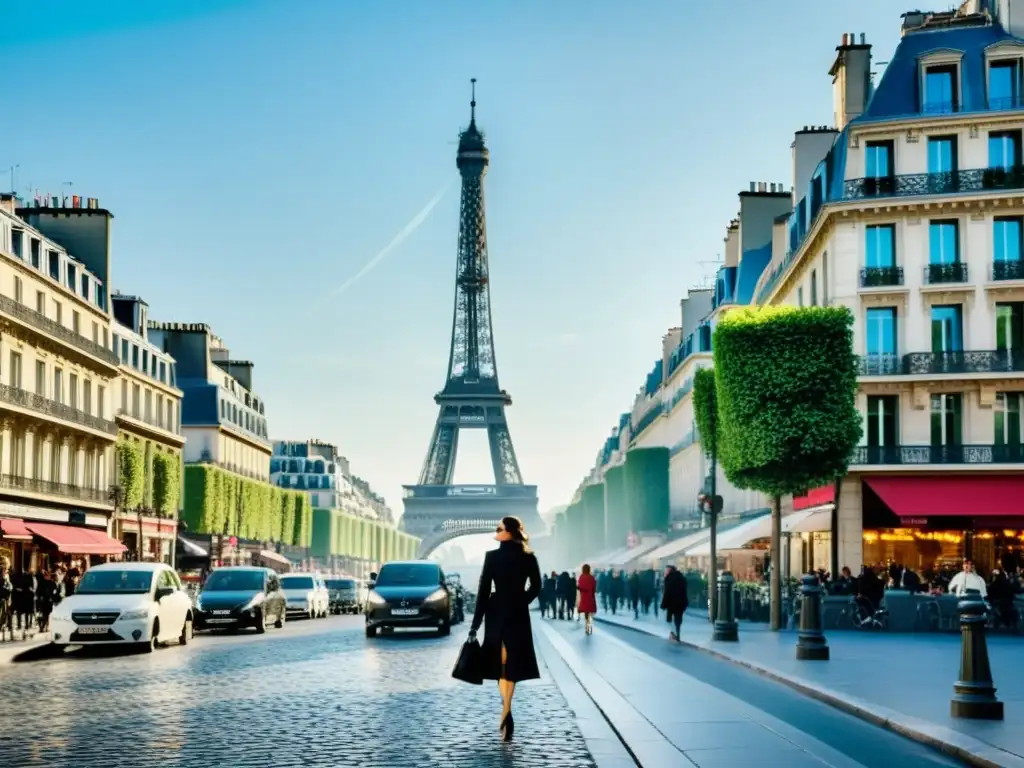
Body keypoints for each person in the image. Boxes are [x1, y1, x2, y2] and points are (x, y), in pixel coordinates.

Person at [469, 516, 542, 742]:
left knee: (500, 664)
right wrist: (521, 601)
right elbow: (537, 586)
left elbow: (482, 592)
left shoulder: (491, 557)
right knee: (513, 664)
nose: (496, 531)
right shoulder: (529, 557)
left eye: (499, 528)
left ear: (509, 532)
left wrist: (475, 625)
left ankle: (506, 709)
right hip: (517, 613)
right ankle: (507, 710)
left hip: (496, 611)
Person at [661, 565, 688, 641]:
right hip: (681, 602)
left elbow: (667, 592)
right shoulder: (682, 578)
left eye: (666, 570)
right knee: (678, 618)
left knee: (669, 619)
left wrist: (663, 604)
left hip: (671, 602)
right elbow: (684, 591)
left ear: (670, 570)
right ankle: (677, 632)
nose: (665, 572)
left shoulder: (668, 579)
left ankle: (673, 633)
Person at [577, 564, 597, 635]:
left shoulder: (581, 577)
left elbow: (579, 586)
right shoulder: (592, 578)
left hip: (584, 598)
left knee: (586, 614)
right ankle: (589, 626)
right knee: (590, 613)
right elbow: (594, 588)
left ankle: (587, 627)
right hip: (590, 597)